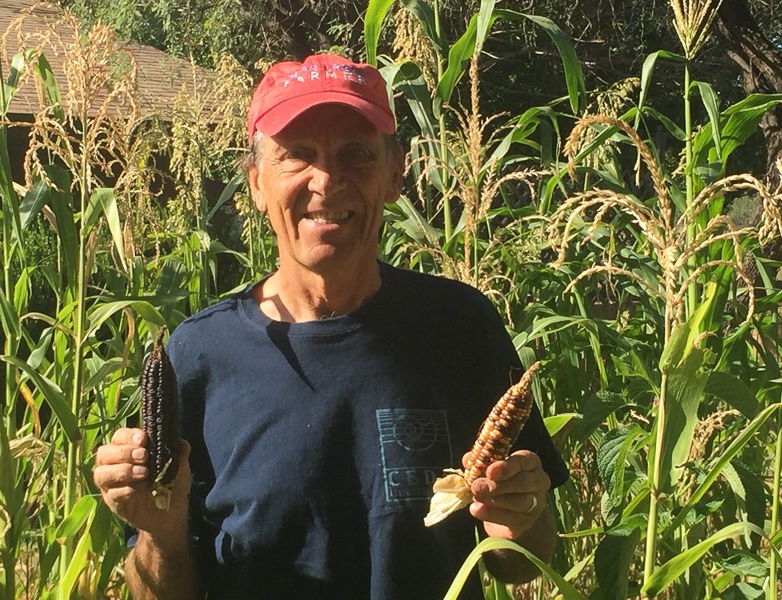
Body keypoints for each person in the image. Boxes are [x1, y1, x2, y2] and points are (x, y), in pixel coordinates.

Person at [94, 53, 569, 600]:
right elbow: (160, 592)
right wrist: (161, 535)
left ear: (395, 175)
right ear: (256, 183)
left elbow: (518, 565)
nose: (327, 180)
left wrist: (521, 518)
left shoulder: (460, 327)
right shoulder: (200, 353)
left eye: (356, 155)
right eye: (297, 156)